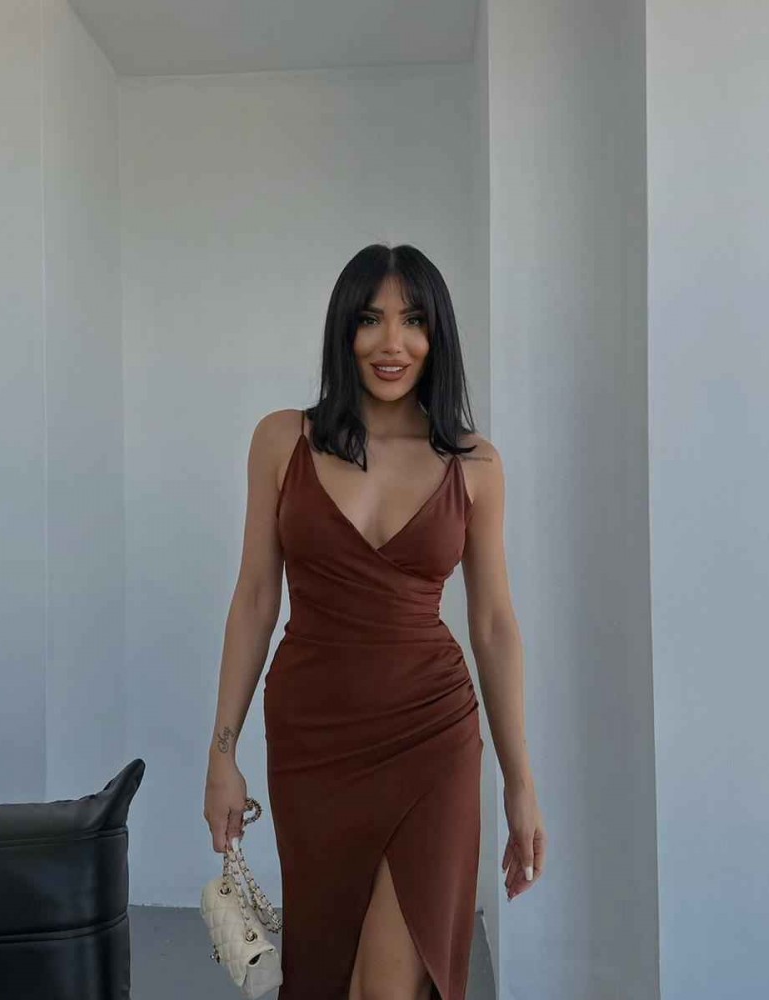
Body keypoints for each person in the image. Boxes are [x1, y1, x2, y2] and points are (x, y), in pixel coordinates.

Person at [203, 243, 545, 1000]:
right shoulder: (282, 440)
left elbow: (493, 623)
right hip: (313, 739)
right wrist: (222, 751)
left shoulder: (474, 464)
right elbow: (255, 596)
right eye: (371, 320)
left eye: (413, 321)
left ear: (437, 333)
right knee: (326, 970)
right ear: (343, 331)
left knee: (388, 987)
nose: (393, 343)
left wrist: (520, 783)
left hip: (432, 735)